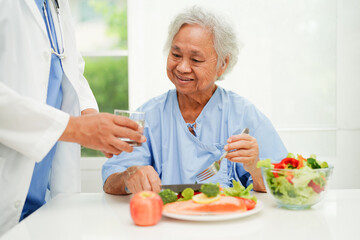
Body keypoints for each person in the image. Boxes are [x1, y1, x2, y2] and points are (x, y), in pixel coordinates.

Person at [102, 6, 287, 195]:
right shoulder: (147, 114)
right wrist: (128, 177)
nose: (182, 67)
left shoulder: (245, 115)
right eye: (176, 55)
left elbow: (284, 186)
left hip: (227, 221)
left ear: (222, 64)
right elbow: (110, 181)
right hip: (164, 221)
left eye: (196, 60)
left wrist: (255, 168)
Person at [0, 0, 145, 235]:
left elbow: (67, 65)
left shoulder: (57, 4)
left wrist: (90, 116)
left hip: (39, 202)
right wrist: (76, 128)